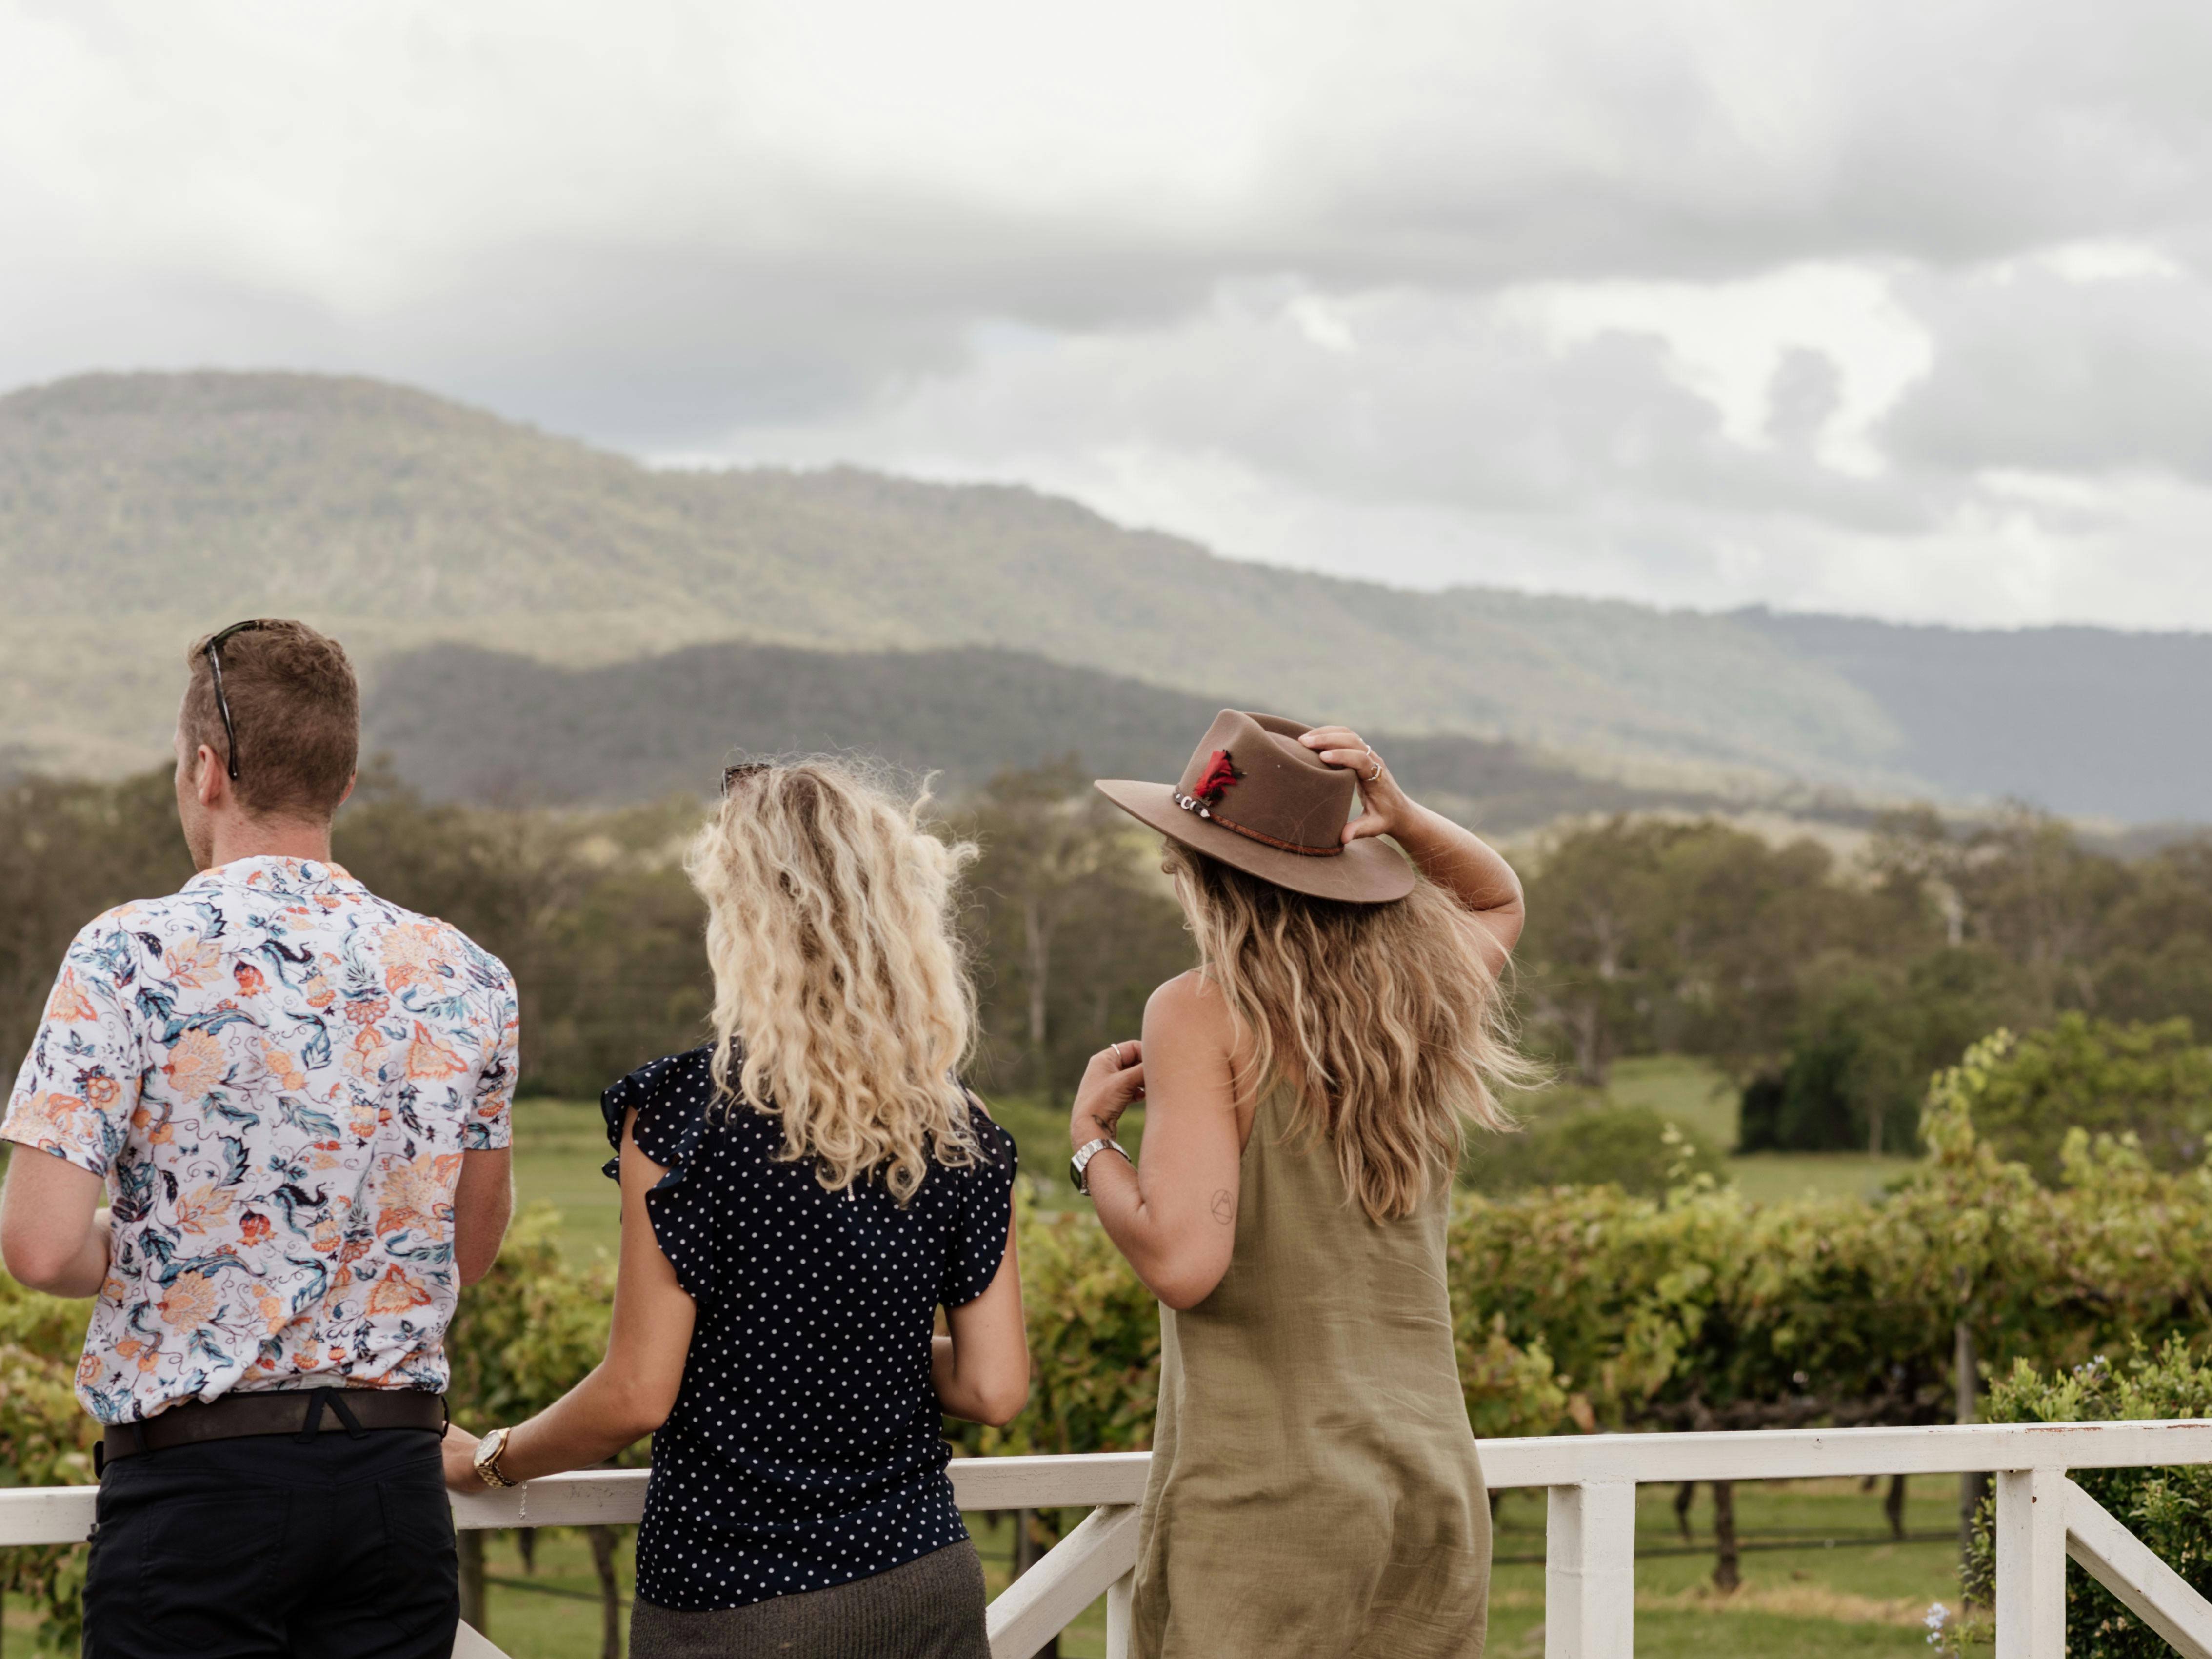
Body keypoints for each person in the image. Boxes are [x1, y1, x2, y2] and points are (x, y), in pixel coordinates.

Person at [0, 618, 519, 1659]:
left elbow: (41, 1248)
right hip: (393, 1493)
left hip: (199, 1495)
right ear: (346, 780)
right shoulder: (469, 974)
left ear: (205, 771)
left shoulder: (126, 952)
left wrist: (171, 1248)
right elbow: (464, 1245)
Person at [440, 759, 1029, 1659]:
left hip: (741, 1599)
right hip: (926, 1580)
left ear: (746, 921)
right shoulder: (962, 1130)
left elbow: (638, 1390)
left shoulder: (688, 1118)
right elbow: (995, 1386)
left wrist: (490, 1458)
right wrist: (853, 1340)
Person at [1076, 710, 1532, 1659]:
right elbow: (1498, 902)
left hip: (1270, 1494)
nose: (1170, 869)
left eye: (1182, 850)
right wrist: (1401, 816)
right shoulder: (1416, 1000)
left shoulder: (1200, 1012)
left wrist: (1092, 1147)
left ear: (1210, 871)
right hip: (1434, 1485)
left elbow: (1185, 1262)